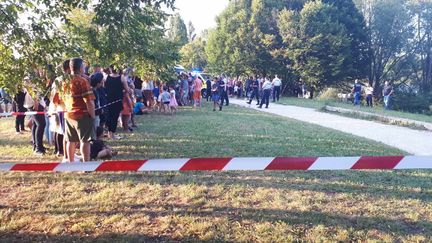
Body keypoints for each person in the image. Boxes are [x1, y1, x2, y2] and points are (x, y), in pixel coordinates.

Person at [62, 57, 96, 162]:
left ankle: (71, 163)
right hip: (82, 115)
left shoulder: (64, 81)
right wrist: (93, 116)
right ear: (81, 68)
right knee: (85, 141)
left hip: (69, 114)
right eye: (84, 66)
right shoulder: (82, 81)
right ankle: (86, 166)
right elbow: (89, 101)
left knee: (70, 141)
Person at [105, 64, 129, 140]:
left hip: (108, 100)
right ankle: (112, 134)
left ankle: (110, 133)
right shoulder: (122, 78)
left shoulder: (106, 77)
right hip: (117, 100)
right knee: (115, 117)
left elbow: (103, 87)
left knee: (109, 116)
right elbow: (127, 89)